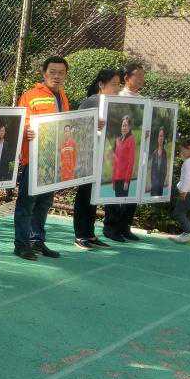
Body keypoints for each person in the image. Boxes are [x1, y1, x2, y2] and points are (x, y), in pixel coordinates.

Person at [13, 56, 71, 261]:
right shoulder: (30, 96)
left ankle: (37, 240)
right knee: (27, 203)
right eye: (52, 72)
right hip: (34, 160)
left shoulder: (63, 97)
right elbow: (22, 124)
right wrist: (26, 131)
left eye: (61, 73)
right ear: (44, 74)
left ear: (65, 75)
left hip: (53, 160)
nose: (56, 76)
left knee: (45, 202)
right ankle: (21, 245)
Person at [73, 68, 120, 250]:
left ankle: (90, 234)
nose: (117, 88)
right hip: (87, 157)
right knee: (84, 195)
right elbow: (76, 126)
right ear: (101, 84)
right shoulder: (91, 102)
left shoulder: (112, 104)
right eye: (113, 84)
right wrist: (93, 124)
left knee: (94, 196)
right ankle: (80, 235)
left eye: (118, 84)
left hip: (103, 158)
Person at [104, 61, 145, 242]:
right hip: (117, 163)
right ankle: (111, 228)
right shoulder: (117, 98)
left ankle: (124, 228)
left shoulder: (143, 101)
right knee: (115, 198)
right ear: (127, 78)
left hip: (133, 161)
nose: (141, 79)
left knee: (131, 195)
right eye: (138, 76)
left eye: (143, 76)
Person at [148, 127, 168, 197]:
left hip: (160, 185)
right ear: (157, 138)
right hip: (154, 184)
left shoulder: (165, 153)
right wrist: (152, 183)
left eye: (162, 136)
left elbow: (165, 169)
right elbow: (152, 170)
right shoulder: (154, 152)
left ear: (164, 138)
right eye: (160, 136)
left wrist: (162, 182)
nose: (161, 138)